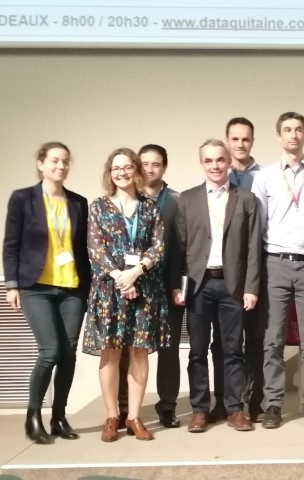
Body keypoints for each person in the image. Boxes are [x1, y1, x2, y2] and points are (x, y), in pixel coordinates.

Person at [2, 142, 91, 444]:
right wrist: (11, 285)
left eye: (65, 161)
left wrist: (90, 288)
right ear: (41, 163)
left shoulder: (78, 202)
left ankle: (59, 417)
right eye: (54, 160)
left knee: (68, 354)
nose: (60, 166)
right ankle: (33, 416)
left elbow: (83, 249)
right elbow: (11, 244)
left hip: (72, 289)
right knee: (50, 351)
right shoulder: (22, 199)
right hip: (36, 287)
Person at [171, 139, 261, 433]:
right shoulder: (187, 199)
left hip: (232, 285)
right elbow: (179, 248)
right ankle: (200, 410)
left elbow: (253, 248)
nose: (215, 165)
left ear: (228, 162)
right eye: (208, 160)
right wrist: (177, 286)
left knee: (233, 350)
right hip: (198, 285)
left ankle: (234, 408)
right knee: (198, 351)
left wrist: (251, 287)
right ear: (202, 164)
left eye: (220, 159)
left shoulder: (246, 199)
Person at [251, 112, 304, 429]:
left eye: (298, 129)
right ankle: (273, 404)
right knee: (272, 338)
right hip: (276, 263)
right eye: (287, 130)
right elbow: (258, 224)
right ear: (279, 136)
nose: (293, 135)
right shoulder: (265, 177)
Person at [82, 147, 169, 442]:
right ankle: (112, 416)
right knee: (110, 352)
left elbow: (158, 246)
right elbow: (95, 248)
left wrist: (136, 272)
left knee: (139, 352)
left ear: (136, 170)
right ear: (110, 173)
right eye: (116, 168)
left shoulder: (150, 207)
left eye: (127, 167)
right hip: (110, 290)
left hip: (143, 289)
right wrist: (120, 276)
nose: (121, 173)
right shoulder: (99, 207)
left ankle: (133, 417)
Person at [117, 144, 184, 429]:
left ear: (164, 167)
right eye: (144, 164)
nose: (149, 169)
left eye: (156, 164)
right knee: (127, 348)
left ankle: (167, 407)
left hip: (167, 286)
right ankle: (124, 408)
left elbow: (183, 248)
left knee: (168, 349)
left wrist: (179, 285)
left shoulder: (178, 201)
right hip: (133, 285)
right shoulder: (126, 199)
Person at [209, 117, 265, 424]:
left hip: (255, 267)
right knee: (223, 341)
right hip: (223, 272)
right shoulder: (218, 174)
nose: (240, 144)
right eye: (235, 139)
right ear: (227, 141)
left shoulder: (265, 176)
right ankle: (224, 401)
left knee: (255, 338)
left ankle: (253, 401)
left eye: (246, 139)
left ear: (252, 141)